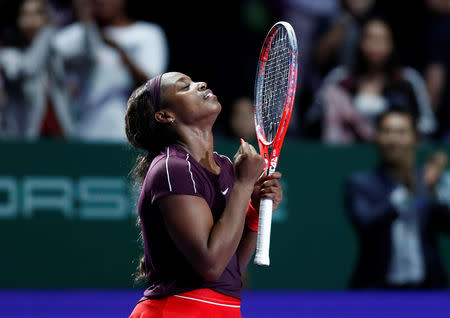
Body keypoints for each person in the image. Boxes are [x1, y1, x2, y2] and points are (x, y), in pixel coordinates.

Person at [125, 72, 283, 317]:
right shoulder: (172, 167)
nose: (201, 84)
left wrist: (253, 212)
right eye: (184, 87)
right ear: (165, 115)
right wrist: (243, 184)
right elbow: (210, 264)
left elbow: (229, 268)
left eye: (195, 81)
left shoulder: (225, 166)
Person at [345, 108, 450, 289]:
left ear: (415, 138)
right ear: (377, 137)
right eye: (387, 131)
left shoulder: (430, 180)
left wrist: (434, 191)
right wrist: (410, 189)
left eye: (401, 132)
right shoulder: (360, 183)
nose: (393, 139)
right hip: (377, 290)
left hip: (428, 291)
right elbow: (367, 223)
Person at [306, 17, 436, 143]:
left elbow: (427, 124)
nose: (375, 45)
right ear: (360, 42)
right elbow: (313, 119)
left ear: (391, 44)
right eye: (370, 38)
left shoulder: (408, 80)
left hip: (395, 153)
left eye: (381, 39)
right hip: (342, 154)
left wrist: (401, 138)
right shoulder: (339, 79)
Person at [54, 0, 168, 142]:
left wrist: (122, 54)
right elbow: (45, 60)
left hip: (126, 135)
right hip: (82, 133)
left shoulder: (147, 34)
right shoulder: (79, 33)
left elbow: (153, 88)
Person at [0, 0, 74, 139]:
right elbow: (29, 68)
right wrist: (47, 33)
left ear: (46, 18)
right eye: (25, 15)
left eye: (37, 14)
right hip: (23, 137)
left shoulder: (55, 50)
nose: (31, 21)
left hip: (60, 132)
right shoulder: (9, 55)